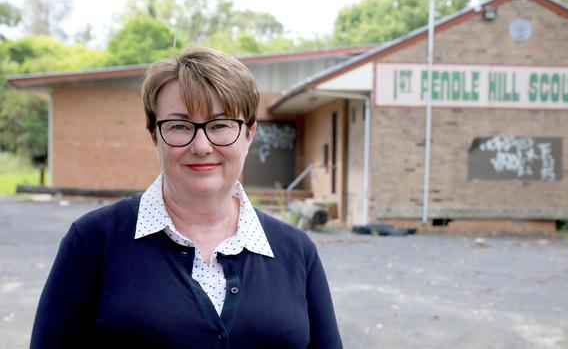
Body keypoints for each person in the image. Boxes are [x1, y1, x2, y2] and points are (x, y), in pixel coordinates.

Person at [30, 47, 343, 348]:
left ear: (249, 134)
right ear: (155, 135)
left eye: (221, 125)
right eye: (180, 126)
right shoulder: (93, 242)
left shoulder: (296, 251)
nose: (201, 146)